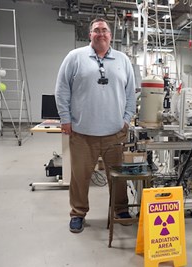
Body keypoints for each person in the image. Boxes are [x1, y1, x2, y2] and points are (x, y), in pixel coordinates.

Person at [55, 18, 136, 233]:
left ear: (111, 35)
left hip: (115, 133)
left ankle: (120, 209)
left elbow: (130, 94)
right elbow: (62, 89)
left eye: (105, 30)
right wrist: (65, 119)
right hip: (82, 133)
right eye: (96, 30)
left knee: (117, 177)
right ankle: (78, 213)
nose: (101, 33)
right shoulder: (75, 57)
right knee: (80, 177)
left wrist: (126, 119)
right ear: (90, 34)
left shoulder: (122, 60)